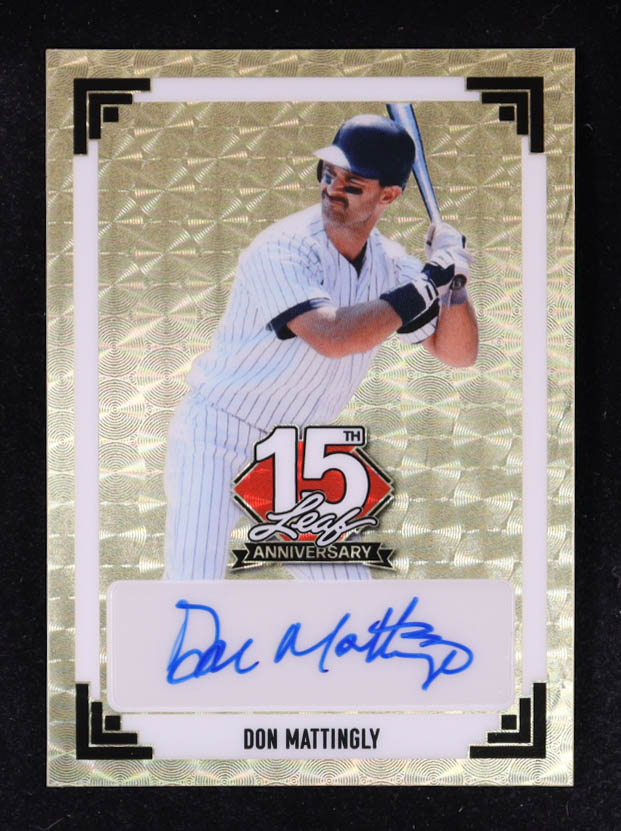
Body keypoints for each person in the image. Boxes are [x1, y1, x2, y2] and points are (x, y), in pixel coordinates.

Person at [164, 114, 478, 581]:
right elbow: (333, 337)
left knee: (348, 594)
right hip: (217, 434)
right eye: (329, 173)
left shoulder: (391, 265)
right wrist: (430, 280)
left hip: (290, 454)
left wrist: (454, 285)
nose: (333, 188)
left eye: (353, 183)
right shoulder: (283, 249)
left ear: (388, 196)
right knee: (193, 585)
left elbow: (458, 353)